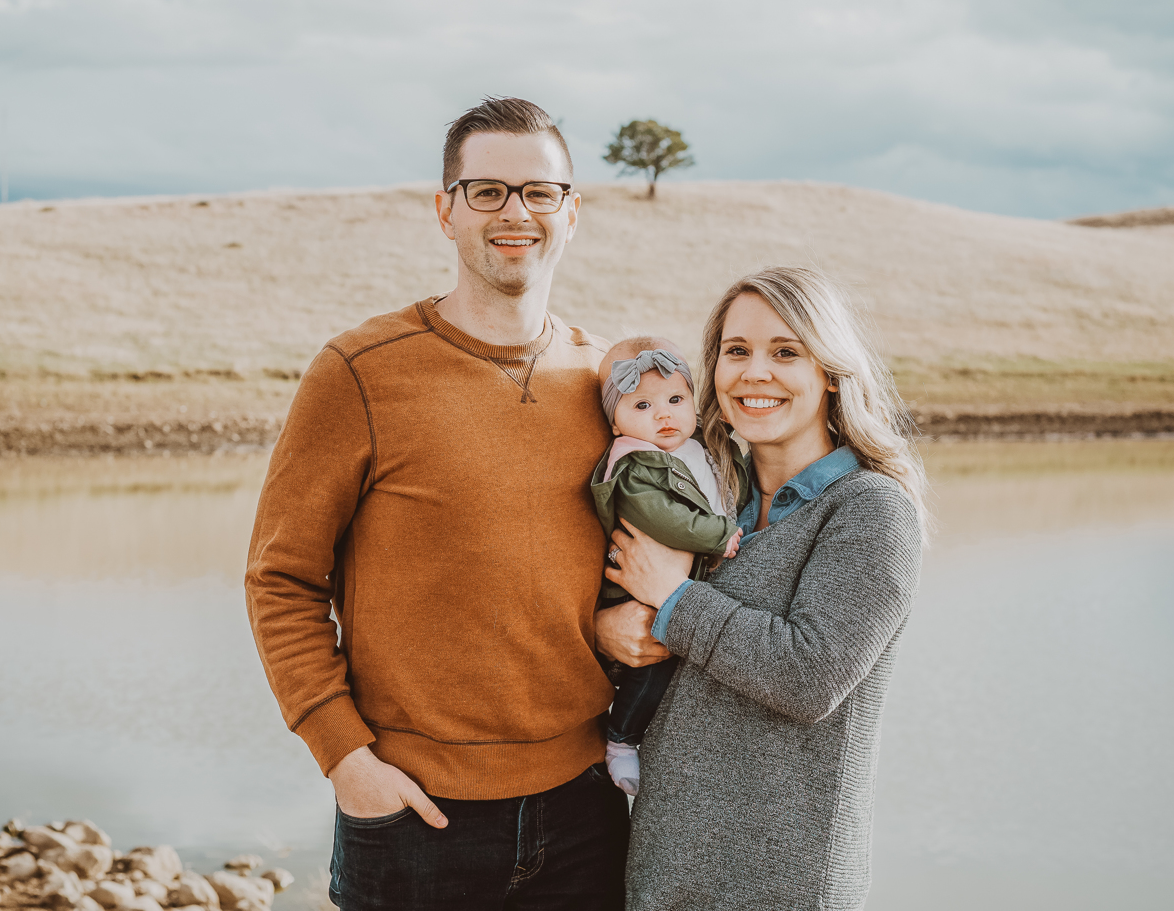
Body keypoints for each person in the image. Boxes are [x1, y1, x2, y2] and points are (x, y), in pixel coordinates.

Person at [244, 97, 629, 910]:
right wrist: (346, 759)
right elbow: (280, 578)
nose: (514, 212)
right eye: (486, 191)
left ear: (573, 212)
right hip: (415, 816)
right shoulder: (359, 372)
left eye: (539, 192)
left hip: (587, 812)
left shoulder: (610, 383)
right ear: (445, 210)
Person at [600, 265, 929, 910]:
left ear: (830, 373)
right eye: (736, 351)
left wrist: (675, 599)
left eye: (786, 352)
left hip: (781, 885)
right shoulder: (715, 502)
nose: (755, 373)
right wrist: (608, 628)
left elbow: (809, 676)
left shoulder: (870, 510)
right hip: (664, 873)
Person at [587, 337, 743, 794]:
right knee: (653, 664)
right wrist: (718, 536)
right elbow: (662, 517)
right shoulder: (636, 466)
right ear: (615, 424)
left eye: (676, 399)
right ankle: (621, 740)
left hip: (683, 583)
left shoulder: (703, 450)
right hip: (636, 593)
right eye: (642, 405)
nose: (664, 414)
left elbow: (731, 483)